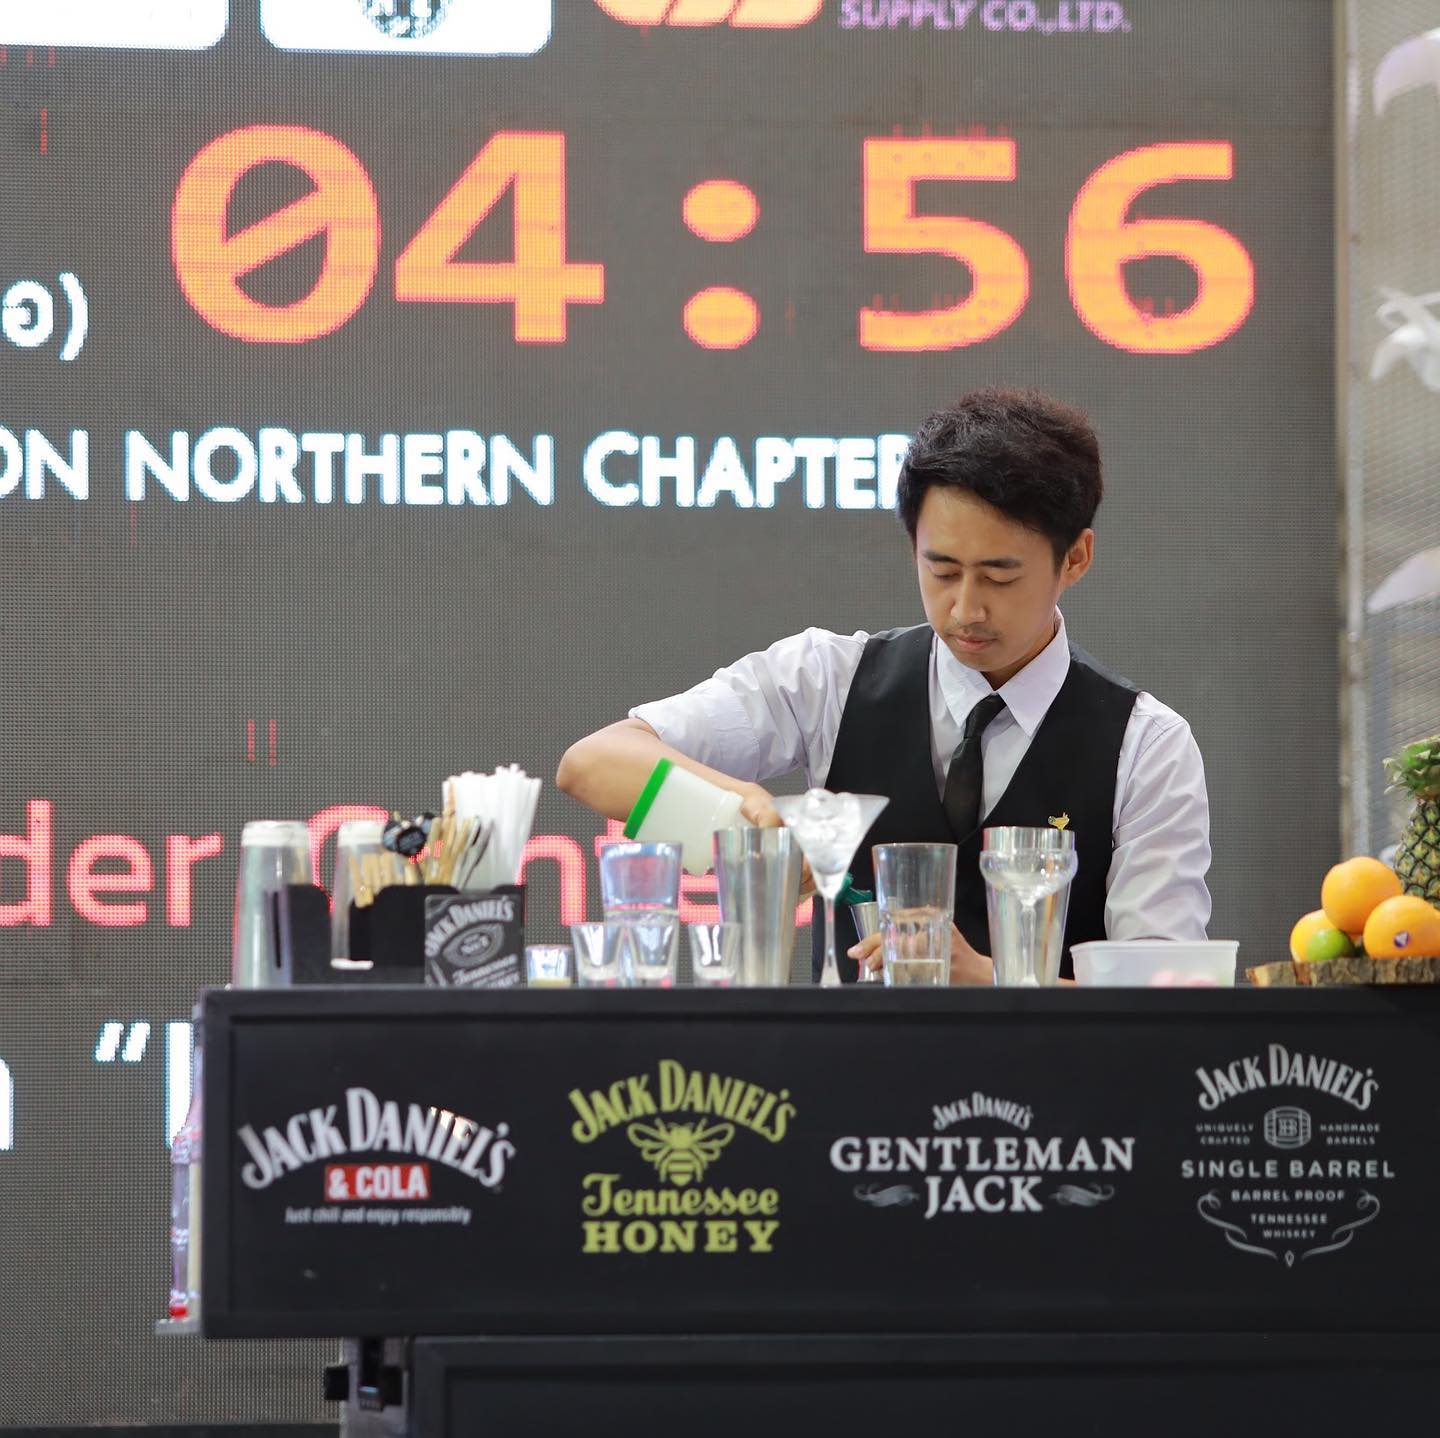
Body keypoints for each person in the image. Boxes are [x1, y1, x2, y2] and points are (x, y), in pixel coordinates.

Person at [556, 387, 1211, 983]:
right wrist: (743, 812)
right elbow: (592, 764)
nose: (966, 609)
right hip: (847, 1073)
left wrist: (989, 979)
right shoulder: (827, 680)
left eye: (999, 577)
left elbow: (1166, 1005)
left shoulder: (1145, 747)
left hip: (1057, 1081)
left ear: (1076, 558)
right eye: (942, 570)